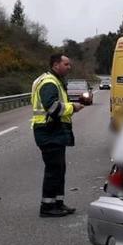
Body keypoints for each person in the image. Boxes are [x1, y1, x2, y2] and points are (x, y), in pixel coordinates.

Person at [31, 54, 85, 218]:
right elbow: (53, 107)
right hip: (48, 131)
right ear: (56, 65)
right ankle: (47, 207)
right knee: (54, 170)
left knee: (59, 169)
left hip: (53, 130)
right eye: (66, 64)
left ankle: (58, 203)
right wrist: (73, 107)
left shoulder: (54, 80)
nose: (69, 67)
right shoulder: (49, 83)